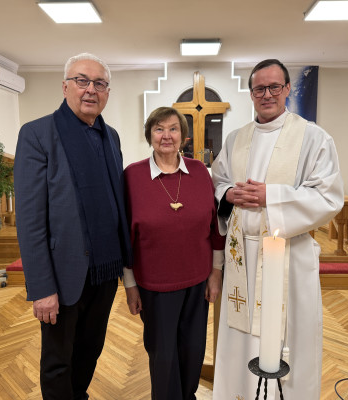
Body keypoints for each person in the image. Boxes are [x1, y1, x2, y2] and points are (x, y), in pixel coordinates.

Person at [211, 59, 344, 399]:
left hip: (288, 257)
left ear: (287, 89)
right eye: (259, 88)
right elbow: (218, 181)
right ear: (251, 93)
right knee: (240, 338)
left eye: (274, 87)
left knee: (287, 337)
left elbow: (328, 197)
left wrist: (272, 196)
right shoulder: (236, 139)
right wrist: (228, 194)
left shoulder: (313, 137)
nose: (267, 95)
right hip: (241, 257)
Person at [14, 52, 132, 400]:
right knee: (57, 360)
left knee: (90, 350)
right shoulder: (38, 134)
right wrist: (41, 288)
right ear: (65, 87)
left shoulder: (111, 136)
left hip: (104, 270)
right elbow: (31, 220)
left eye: (100, 83)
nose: (90, 89)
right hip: (62, 273)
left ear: (107, 92)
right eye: (82, 80)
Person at [123, 107, 225, 400]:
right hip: (154, 286)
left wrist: (215, 273)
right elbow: (125, 236)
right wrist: (130, 286)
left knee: (192, 351)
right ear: (149, 135)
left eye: (173, 129)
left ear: (183, 136)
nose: (166, 135)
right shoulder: (132, 176)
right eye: (159, 129)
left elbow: (215, 228)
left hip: (197, 282)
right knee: (163, 356)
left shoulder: (200, 173)